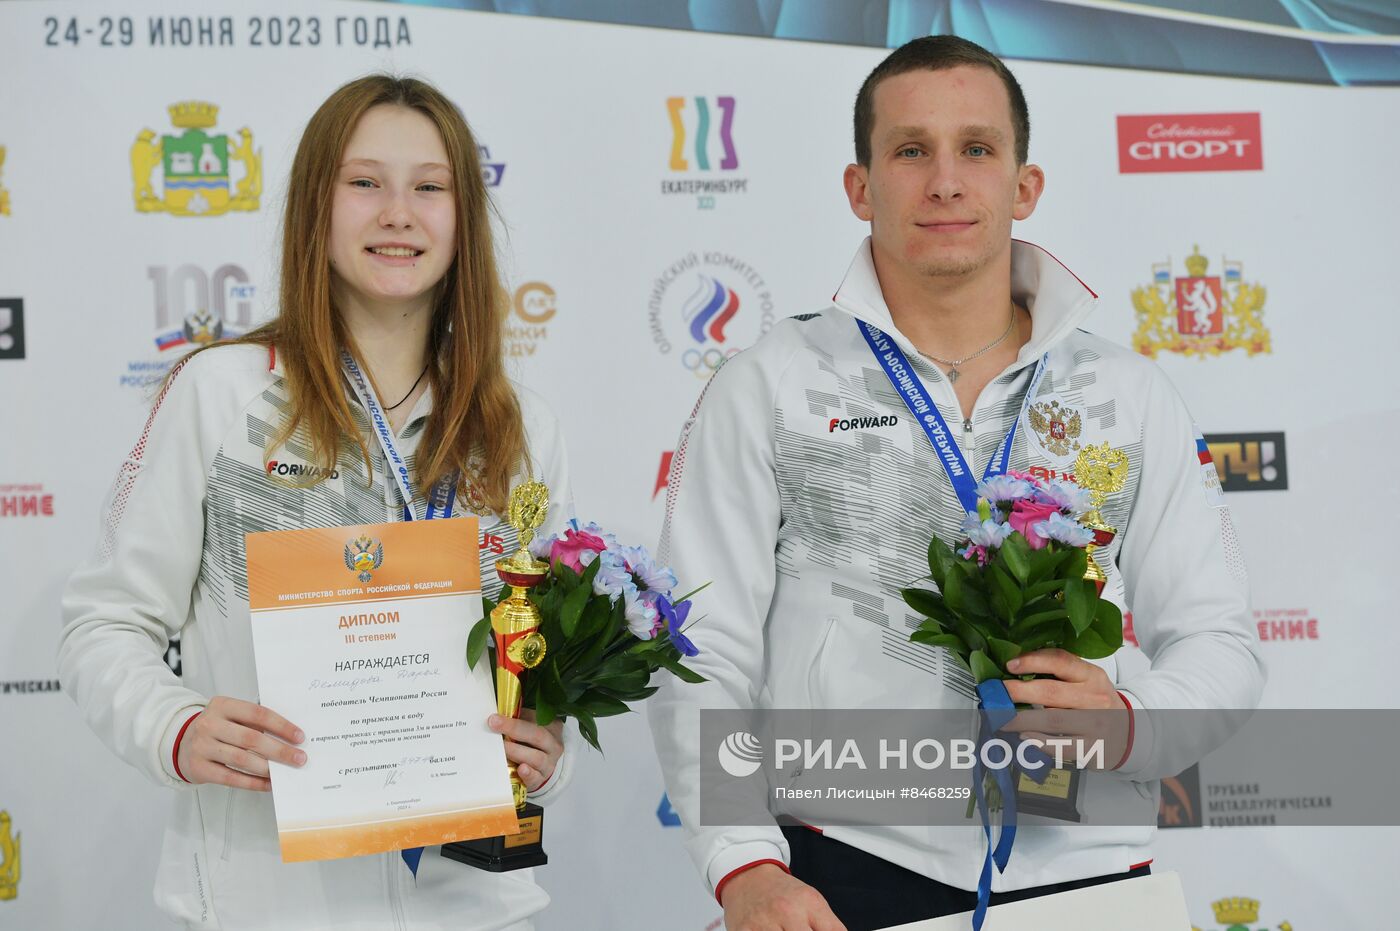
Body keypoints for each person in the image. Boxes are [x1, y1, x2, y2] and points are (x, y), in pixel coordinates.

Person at [648, 35, 1264, 931]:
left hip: (1090, 869)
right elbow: (704, 648)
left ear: (1025, 185)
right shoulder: (772, 384)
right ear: (861, 187)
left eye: (976, 149)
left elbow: (1220, 642)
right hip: (842, 865)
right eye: (911, 151)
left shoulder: (1126, 394)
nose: (945, 181)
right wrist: (744, 863)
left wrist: (1132, 722)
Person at [60, 76, 576, 930]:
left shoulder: (517, 430)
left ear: (465, 217)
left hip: (472, 901)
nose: (398, 213)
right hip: (265, 896)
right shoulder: (222, 394)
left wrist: (545, 748)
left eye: (431, 187)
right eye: (365, 182)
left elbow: (543, 657)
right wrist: (175, 727)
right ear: (315, 207)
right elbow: (103, 623)